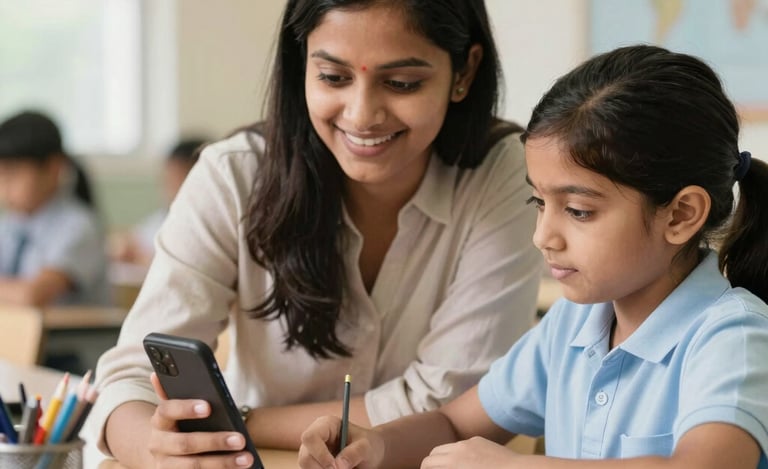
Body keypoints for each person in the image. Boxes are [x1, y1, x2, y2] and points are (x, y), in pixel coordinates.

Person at [88, 0, 542, 467]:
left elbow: (452, 404)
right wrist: (157, 450)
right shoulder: (234, 176)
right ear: (300, 63)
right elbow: (131, 374)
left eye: (402, 83)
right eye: (333, 77)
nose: (362, 115)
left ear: (464, 71)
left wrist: (240, 421)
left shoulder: (506, 175)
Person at [298, 45, 768, 469]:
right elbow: (455, 425)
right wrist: (375, 445)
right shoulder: (572, 324)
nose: (544, 236)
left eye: (579, 211)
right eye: (540, 203)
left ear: (681, 215)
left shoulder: (733, 335)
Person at [0, 110, 110, 307]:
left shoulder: (78, 227)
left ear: (53, 168)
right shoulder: (10, 225)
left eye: (12, 174)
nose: (4, 186)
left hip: (66, 337)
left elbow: (32, 295)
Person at [109, 137, 208, 266]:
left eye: (177, 178)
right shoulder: (164, 216)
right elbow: (125, 243)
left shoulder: (204, 224)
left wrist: (143, 257)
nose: (169, 187)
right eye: (167, 179)